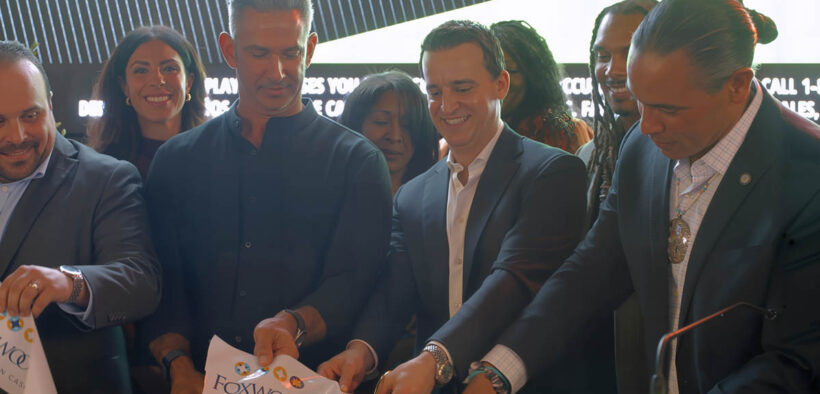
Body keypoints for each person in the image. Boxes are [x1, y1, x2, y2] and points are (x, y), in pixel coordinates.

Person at [465, 1, 820, 393]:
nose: (646, 126)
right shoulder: (640, 148)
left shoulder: (808, 174)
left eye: (668, 108)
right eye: (640, 100)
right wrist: (499, 370)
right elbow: (589, 276)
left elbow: (797, 362)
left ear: (736, 85)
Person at [317, 20, 588, 394]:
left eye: (462, 89)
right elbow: (394, 293)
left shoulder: (552, 172)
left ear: (501, 85)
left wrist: (434, 358)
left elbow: (512, 282)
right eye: (434, 91)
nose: (447, 106)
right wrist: (359, 352)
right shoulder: (412, 196)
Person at [139, 0, 392, 393]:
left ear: (309, 48)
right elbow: (163, 284)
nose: (277, 72)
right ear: (228, 50)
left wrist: (295, 322)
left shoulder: (356, 162)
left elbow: (356, 280)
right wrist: (179, 366)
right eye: (259, 53)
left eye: (290, 53)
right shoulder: (177, 161)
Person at [0, 40, 160, 393]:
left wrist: (69, 283)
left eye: (31, 115)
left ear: (51, 104)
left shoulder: (107, 178)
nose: (17, 136)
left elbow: (141, 283)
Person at [86, 25, 207, 179]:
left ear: (189, 82)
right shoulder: (101, 169)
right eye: (141, 71)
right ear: (124, 86)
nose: (157, 80)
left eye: (169, 68)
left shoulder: (217, 154)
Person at [577, 0, 656, 227]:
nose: (613, 70)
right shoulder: (590, 155)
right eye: (602, 56)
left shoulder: (685, 152)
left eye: (630, 52)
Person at [491, 20, 593, 154]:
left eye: (511, 70)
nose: (499, 81)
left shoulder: (564, 133)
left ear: (534, 76)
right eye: (490, 70)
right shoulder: (470, 129)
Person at [339, 70, 439, 194]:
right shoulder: (330, 196)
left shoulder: (439, 197)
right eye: (381, 122)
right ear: (354, 125)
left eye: (407, 125)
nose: (395, 136)